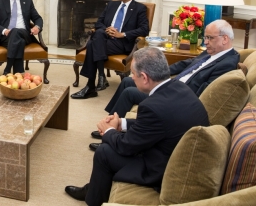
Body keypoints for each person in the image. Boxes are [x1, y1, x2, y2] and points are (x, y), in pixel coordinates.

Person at [65, 47, 210, 206]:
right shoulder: (180, 87)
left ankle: (92, 199)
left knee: (104, 152)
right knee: (111, 141)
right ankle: (94, 189)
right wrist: (122, 123)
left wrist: (109, 131)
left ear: (144, 77)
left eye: (133, 74)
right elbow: (159, 125)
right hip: (174, 153)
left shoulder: (151, 106)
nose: (131, 78)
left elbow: (126, 146)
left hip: (164, 170)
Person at [88, 19, 239, 150]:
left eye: (209, 38)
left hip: (176, 97)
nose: (205, 42)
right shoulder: (210, 52)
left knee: (129, 92)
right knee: (128, 80)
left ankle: (110, 135)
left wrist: (169, 86)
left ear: (224, 39)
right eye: (205, 37)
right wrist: (160, 71)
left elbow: (203, 91)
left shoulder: (228, 63)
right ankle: (110, 124)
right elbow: (185, 64)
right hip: (171, 85)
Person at [71, 0, 149, 99]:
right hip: (105, 38)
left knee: (92, 44)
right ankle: (97, 80)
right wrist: (108, 29)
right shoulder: (112, 4)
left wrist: (121, 34)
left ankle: (93, 84)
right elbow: (99, 23)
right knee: (98, 35)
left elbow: (144, 30)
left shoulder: (139, 8)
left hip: (121, 42)